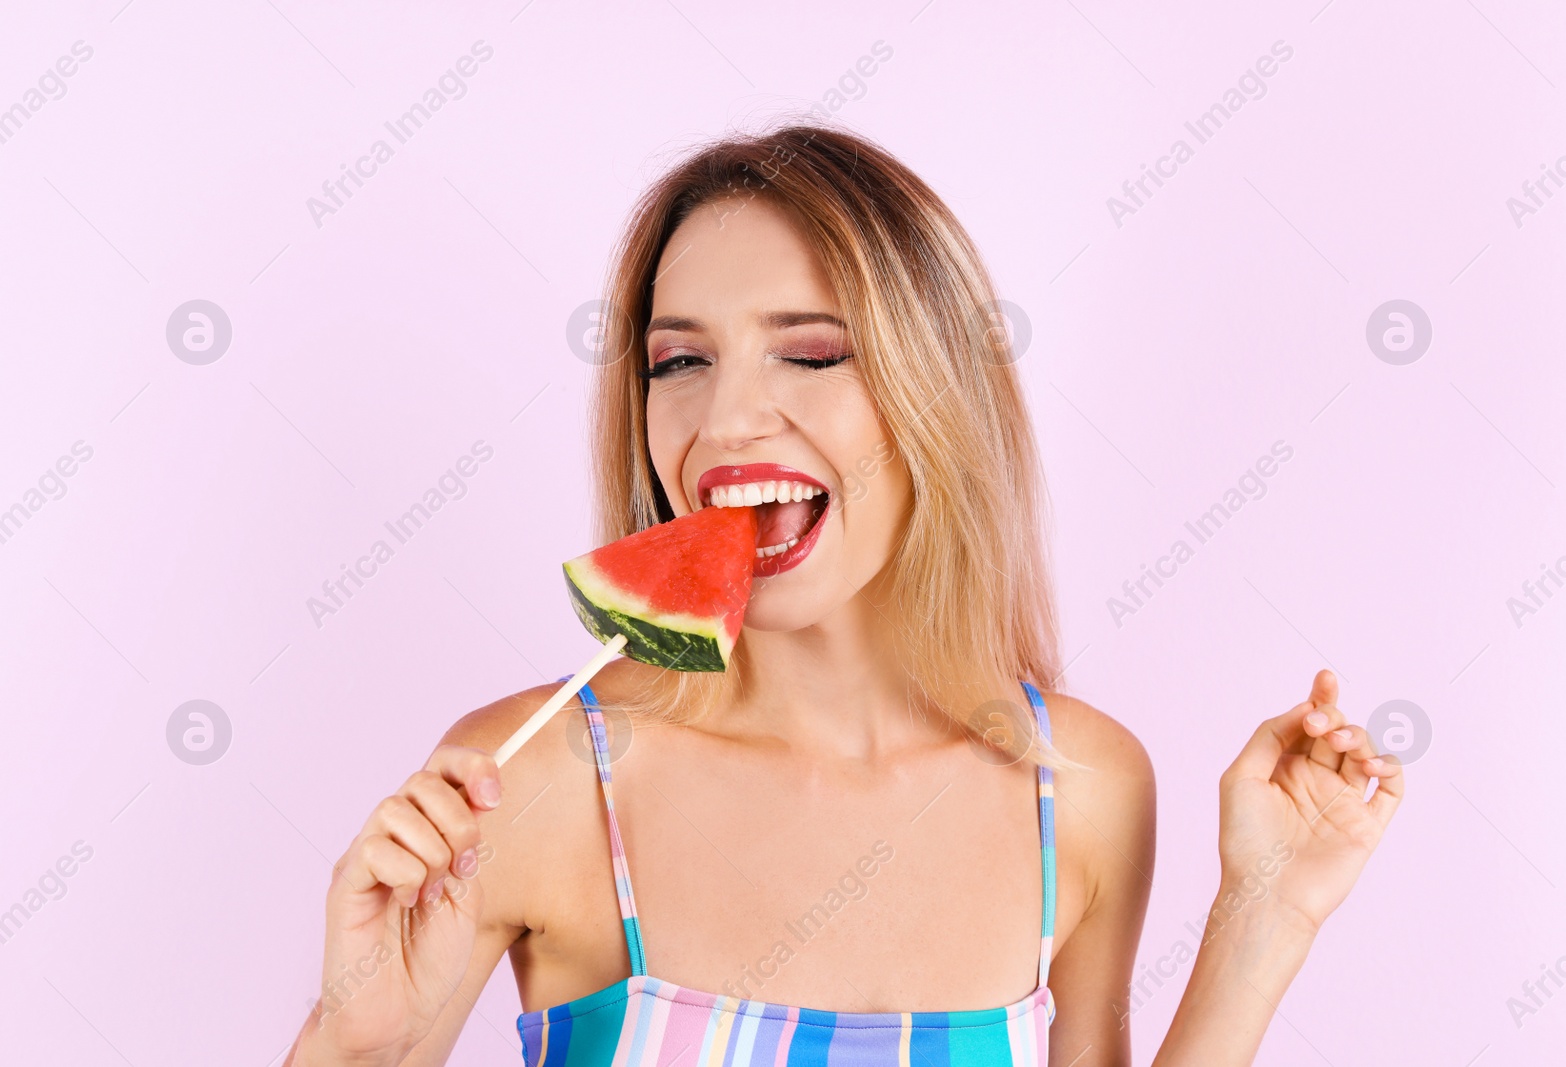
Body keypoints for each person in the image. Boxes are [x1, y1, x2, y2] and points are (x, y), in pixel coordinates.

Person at [285, 122, 1403, 1066]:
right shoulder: (525, 782)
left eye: (811, 353)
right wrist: (352, 1037)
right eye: (678, 362)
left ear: (938, 395)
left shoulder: (1082, 791)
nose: (723, 420)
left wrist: (1266, 913)